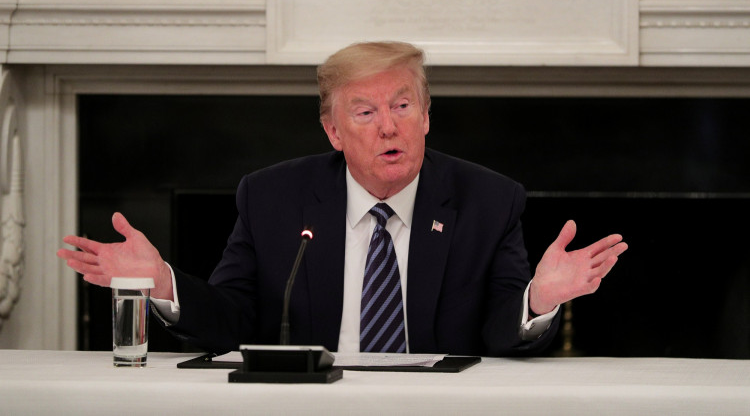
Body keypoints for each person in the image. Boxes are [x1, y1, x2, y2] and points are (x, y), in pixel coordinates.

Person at [57, 41, 627, 356]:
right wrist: (164, 284)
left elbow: (498, 331)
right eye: (365, 112)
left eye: (403, 107)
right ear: (333, 132)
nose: (388, 128)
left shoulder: (489, 199)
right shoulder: (272, 197)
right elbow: (231, 320)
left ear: (426, 116)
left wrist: (540, 299)